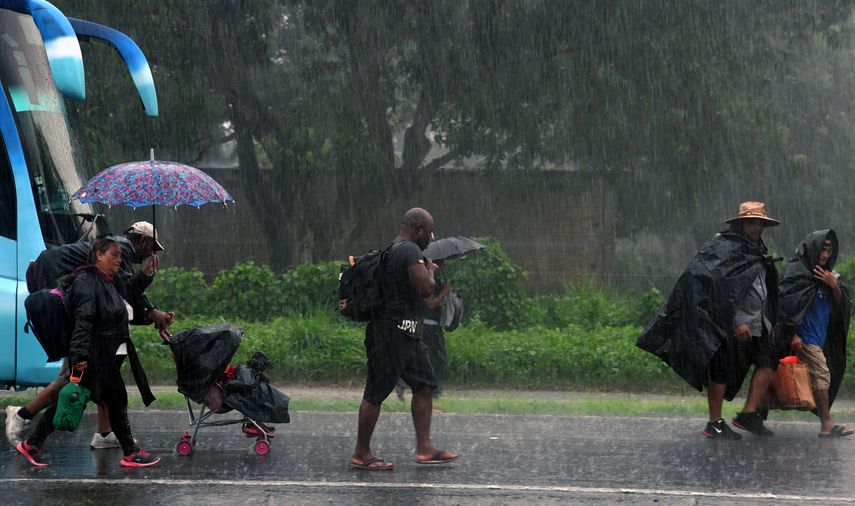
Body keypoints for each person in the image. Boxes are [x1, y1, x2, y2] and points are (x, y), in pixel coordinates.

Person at [5, 222, 174, 449]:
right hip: (77, 319)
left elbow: (120, 292)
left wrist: (152, 312)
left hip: (82, 319)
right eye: (153, 247)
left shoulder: (115, 251)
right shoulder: (120, 250)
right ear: (142, 241)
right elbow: (124, 291)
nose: (152, 254)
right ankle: (24, 418)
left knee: (102, 379)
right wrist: (145, 277)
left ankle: (105, 434)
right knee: (78, 382)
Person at [637, 201, 781, 439]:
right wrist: (735, 322)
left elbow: (765, 288)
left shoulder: (758, 251)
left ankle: (749, 413)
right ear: (741, 224)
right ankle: (714, 422)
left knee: (767, 361)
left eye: (760, 223)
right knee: (721, 368)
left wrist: (770, 320)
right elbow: (717, 287)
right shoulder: (725, 248)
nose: (757, 228)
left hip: (760, 322)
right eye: (752, 222)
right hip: (727, 323)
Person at [351, 207, 459, 470]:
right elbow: (425, 288)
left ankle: (424, 448)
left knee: (424, 384)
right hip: (390, 334)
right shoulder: (409, 250)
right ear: (417, 228)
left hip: (408, 334)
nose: (431, 238)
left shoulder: (394, 250)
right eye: (429, 232)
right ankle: (361, 453)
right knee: (376, 392)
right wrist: (431, 270)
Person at [777, 230, 853, 437]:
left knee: (807, 381)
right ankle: (827, 424)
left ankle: (752, 412)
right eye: (823, 248)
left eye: (830, 249)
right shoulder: (798, 273)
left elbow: (842, 308)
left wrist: (834, 286)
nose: (825, 254)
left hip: (822, 339)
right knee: (821, 374)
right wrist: (792, 334)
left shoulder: (830, 277)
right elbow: (786, 306)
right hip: (806, 338)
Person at [395, 266, 454, 402]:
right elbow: (430, 304)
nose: (441, 266)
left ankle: (432, 390)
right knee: (430, 359)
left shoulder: (436, 282)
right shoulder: (424, 281)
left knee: (434, 359)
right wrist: (444, 292)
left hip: (433, 328)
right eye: (438, 264)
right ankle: (407, 385)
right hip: (425, 328)